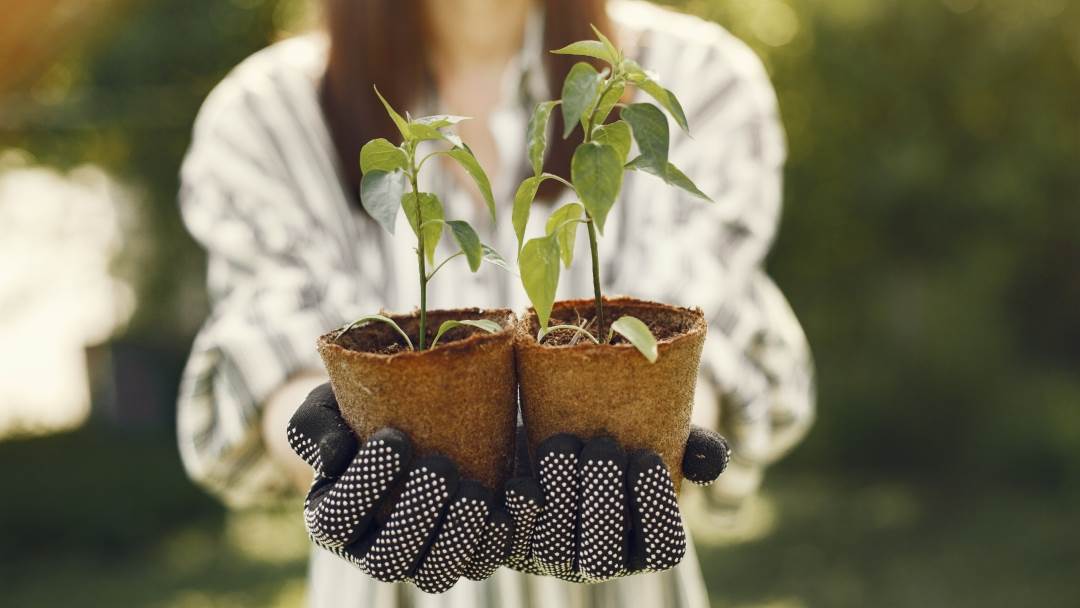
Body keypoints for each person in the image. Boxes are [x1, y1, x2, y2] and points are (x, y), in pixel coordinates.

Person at [176, 0, 815, 606]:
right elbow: (272, 344)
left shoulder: (699, 79)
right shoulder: (268, 114)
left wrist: (660, 445)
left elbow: (694, 327)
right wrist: (335, 456)